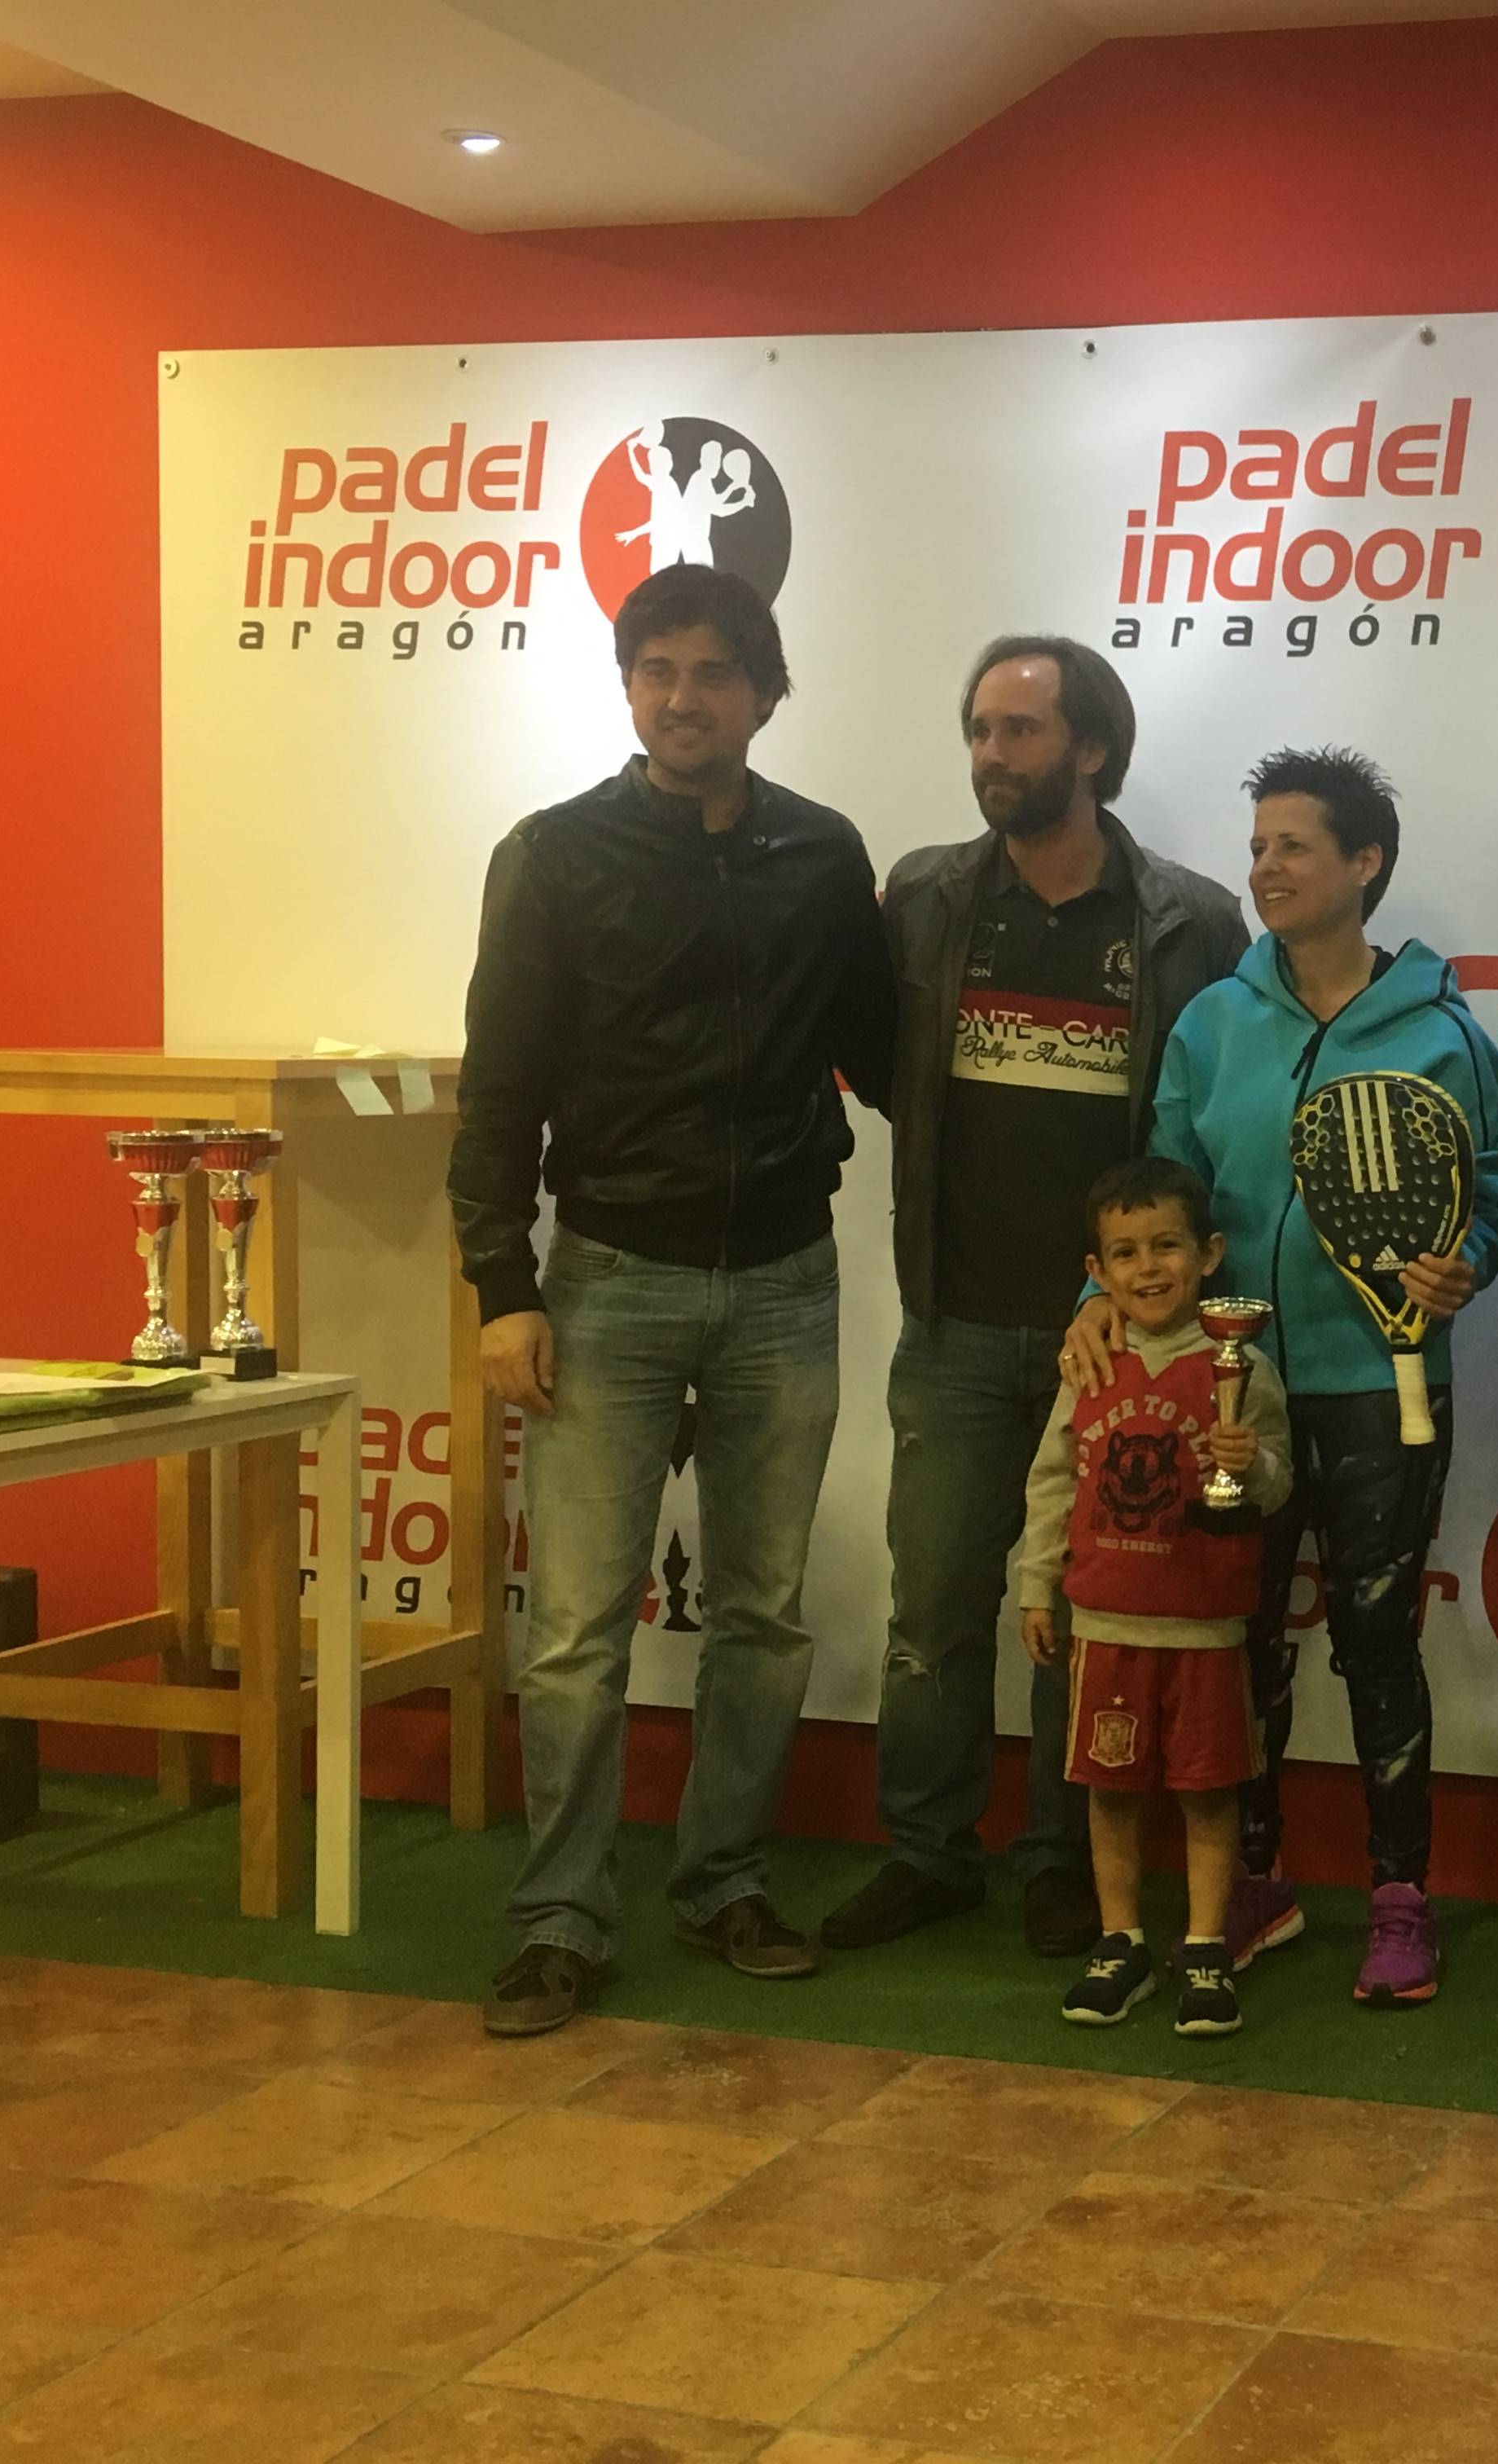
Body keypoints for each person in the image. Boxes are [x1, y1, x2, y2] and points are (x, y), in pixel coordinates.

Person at [450, 560, 894, 2039]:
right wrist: (503, 1286)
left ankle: (724, 1881)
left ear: (764, 693)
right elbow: (499, 1092)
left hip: (785, 1279)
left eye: (713, 672)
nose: (683, 698)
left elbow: (882, 1050)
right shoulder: (552, 854)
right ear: (628, 687)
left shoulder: (823, 854)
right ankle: (560, 1920)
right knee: (577, 1629)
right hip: (608, 1281)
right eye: (658, 671)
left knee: (762, 1616)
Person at [1064, 746, 1498, 2007]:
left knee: (1376, 1642)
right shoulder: (1213, 1022)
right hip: (1228, 1391)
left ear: (1365, 863)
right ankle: (1253, 1886)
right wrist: (1099, 1302)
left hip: (1384, 1383)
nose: (1264, 868)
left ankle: (1401, 1901)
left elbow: (1493, 1195)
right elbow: (1160, 1193)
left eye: (1294, 847)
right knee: (1239, 1644)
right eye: (1258, 846)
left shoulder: (1443, 1032)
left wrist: (1466, 1262)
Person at [823, 637, 1250, 1965]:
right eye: (980, 729)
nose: (992, 754)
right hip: (953, 1324)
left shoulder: (1188, 921)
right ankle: (927, 1853)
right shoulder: (924, 897)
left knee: (1092, 1618)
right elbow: (884, 1066)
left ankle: (1068, 1861)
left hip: (1119, 1343)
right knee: (935, 1611)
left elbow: (1203, 1118)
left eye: (1020, 730)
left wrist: (1129, 1293)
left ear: (1092, 749)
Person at [1014, 1158, 1294, 2037]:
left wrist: (1251, 1467)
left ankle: (1206, 1945)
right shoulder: (1089, 1365)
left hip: (1205, 1628)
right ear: (1096, 1272)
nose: (1148, 1268)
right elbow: (1053, 1482)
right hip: (1106, 1624)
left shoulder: (1243, 1366)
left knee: (1210, 1792)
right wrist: (1035, 1587)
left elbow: (1278, 1484)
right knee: (1112, 1792)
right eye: (1126, 1253)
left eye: (1167, 1246)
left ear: (1209, 1254)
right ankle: (1120, 1940)